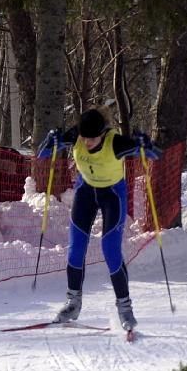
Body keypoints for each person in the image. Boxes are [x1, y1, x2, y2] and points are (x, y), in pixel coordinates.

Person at [36, 108, 160, 331]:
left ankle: (125, 308)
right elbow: (42, 154)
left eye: (91, 138)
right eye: (84, 137)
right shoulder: (76, 137)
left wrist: (145, 144)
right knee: (75, 250)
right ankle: (73, 303)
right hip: (85, 193)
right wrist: (50, 141)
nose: (86, 142)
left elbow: (153, 155)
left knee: (110, 250)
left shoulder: (116, 143)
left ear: (102, 133)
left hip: (112, 195)